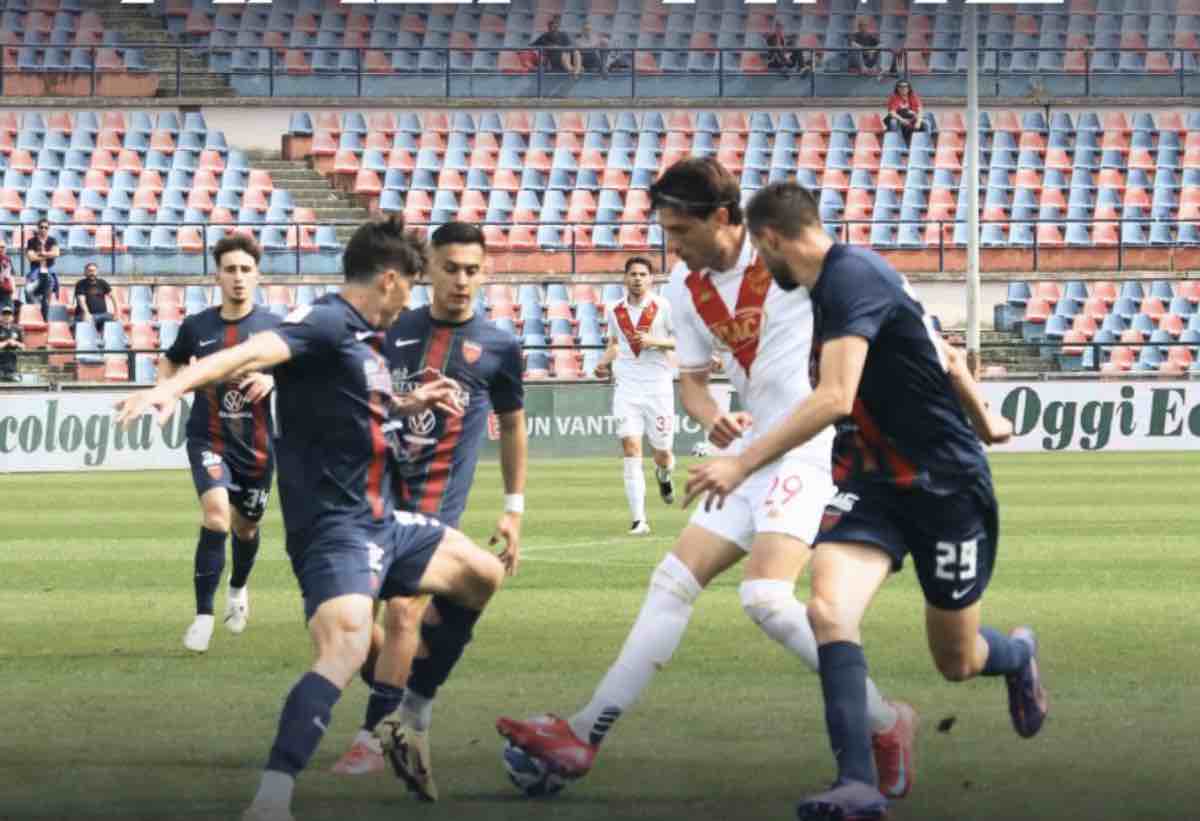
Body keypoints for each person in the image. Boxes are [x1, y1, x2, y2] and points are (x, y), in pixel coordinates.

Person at [496, 158, 916, 801]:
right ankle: (583, 733)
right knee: (672, 582)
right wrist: (712, 416)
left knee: (765, 598)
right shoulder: (683, 287)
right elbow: (691, 382)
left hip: (810, 446)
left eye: (680, 232)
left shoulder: (787, 260)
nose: (672, 247)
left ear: (723, 218)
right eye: (666, 233)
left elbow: (876, 308)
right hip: (751, 447)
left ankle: (885, 723)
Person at [115, 215, 507, 821]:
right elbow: (250, 352)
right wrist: (173, 387)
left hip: (385, 520)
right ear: (389, 280)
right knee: (346, 646)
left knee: (481, 573)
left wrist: (412, 401)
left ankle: (406, 720)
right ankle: (272, 798)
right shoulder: (325, 322)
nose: (410, 303)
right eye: (410, 286)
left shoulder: (363, 338)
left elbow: (358, 405)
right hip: (336, 531)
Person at [683, 182, 1046, 821]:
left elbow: (834, 397)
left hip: (944, 486)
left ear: (770, 239)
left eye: (760, 253)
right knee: (827, 611)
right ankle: (856, 783)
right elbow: (942, 351)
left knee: (958, 660)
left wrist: (741, 462)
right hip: (871, 483)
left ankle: (1018, 656)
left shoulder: (851, 279)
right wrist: (985, 417)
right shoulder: (838, 284)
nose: (761, 266)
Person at [331, 221, 527, 799]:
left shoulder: (499, 346)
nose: (461, 280)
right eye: (450, 268)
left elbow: (513, 425)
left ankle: (373, 737)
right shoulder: (394, 328)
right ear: (429, 270)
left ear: (485, 273)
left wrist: (513, 509)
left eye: (472, 270)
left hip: (438, 505)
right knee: (350, 626)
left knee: (402, 613)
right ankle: (413, 707)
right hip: (375, 498)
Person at [158, 235, 281, 653]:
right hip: (208, 438)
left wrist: (272, 379)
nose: (238, 277)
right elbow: (170, 359)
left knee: (247, 528)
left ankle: (238, 588)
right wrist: (167, 391)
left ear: (257, 275)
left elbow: (303, 372)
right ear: (218, 276)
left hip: (258, 448)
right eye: (230, 269)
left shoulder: (274, 327)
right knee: (216, 517)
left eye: (246, 269)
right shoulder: (198, 326)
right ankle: (203, 617)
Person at [594, 255, 677, 535]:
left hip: (658, 387)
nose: (637, 279)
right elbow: (615, 343)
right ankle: (639, 520)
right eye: (633, 274)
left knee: (662, 453)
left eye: (642, 274)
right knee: (631, 448)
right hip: (627, 387)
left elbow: (680, 341)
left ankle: (664, 473)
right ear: (625, 278)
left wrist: (655, 341)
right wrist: (602, 363)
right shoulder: (614, 310)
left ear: (651, 279)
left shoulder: (663, 307)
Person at [25, 219, 59, 322]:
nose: (43, 229)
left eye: (46, 227)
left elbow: (56, 253)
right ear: (38, 228)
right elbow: (31, 257)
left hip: (49, 271)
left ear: (48, 229)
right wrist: (48, 255)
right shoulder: (31, 241)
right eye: (41, 227)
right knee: (28, 290)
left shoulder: (52, 240)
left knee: (46, 299)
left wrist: (42, 254)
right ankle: (36, 311)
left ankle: (44, 320)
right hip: (36, 271)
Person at [73, 262, 118, 331]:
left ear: (97, 272)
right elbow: (81, 300)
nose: (92, 273)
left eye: (94, 271)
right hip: (85, 315)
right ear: (85, 272)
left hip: (103, 315)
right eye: (89, 271)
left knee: (116, 322)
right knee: (87, 321)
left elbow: (113, 297)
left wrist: (116, 312)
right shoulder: (80, 284)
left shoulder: (102, 283)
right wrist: (86, 313)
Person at [885, 80, 928, 144]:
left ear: (909, 88)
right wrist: (902, 120)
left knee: (924, 123)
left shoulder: (913, 96)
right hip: (898, 118)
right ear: (897, 88)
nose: (903, 89)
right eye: (900, 87)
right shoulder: (894, 97)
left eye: (905, 86)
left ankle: (923, 143)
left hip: (911, 118)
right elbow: (892, 112)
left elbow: (920, 110)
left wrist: (918, 122)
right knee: (893, 122)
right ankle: (895, 142)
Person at [0, 304, 24, 381]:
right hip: (1, 364)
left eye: (9, 314)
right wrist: (7, 342)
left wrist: (16, 343)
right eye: (4, 314)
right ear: (1, 317)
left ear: (12, 317)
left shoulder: (17, 329)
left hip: (12, 365)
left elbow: (23, 346)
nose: (6, 317)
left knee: (16, 380)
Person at [0, 238, 16, 313]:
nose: (1, 249)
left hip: (6, 289)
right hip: (3, 288)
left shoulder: (7, 259)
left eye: (3, 247)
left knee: (9, 308)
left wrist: (13, 289)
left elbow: (11, 275)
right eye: (0, 247)